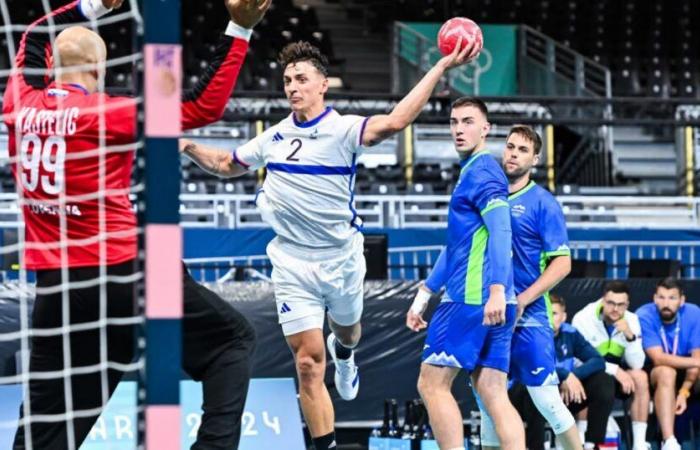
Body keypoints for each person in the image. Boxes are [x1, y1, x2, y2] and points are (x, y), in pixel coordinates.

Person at [179, 39, 477, 450]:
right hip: (291, 262)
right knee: (306, 363)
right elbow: (228, 164)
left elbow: (394, 121)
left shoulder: (344, 129)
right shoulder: (274, 137)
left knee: (347, 332)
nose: (292, 87)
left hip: (340, 260)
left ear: (323, 85)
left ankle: (347, 354)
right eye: (287, 80)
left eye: (301, 79)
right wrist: (188, 146)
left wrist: (440, 67)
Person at [3, 0, 270, 448]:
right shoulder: (107, 113)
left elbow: (32, 33)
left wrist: (89, 5)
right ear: (98, 69)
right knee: (232, 342)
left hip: (58, 291)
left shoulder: (18, 104)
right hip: (127, 274)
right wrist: (239, 28)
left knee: (46, 432)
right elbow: (202, 105)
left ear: (53, 65)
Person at [405, 97, 524, 450]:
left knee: (431, 385)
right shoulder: (473, 171)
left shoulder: (483, 171)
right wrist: (424, 295)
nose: (459, 129)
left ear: (485, 129)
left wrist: (497, 290)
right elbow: (457, 244)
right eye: (454, 122)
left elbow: (503, 231)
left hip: (472, 299)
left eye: (468, 121)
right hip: (497, 301)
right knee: (492, 391)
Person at [467, 125, 580, 450]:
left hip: (529, 319)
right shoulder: (488, 195)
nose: (513, 154)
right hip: (488, 315)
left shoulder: (544, 203)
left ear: (536, 159)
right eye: (510, 147)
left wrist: (521, 301)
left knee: (549, 402)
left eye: (522, 150)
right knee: (487, 405)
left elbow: (563, 263)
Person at [512, 293, 611, 449]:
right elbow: (532, 368)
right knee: (536, 386)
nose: (549, 318)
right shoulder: (527, 333)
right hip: (522, 395)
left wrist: (573, 376)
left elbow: (598, 361)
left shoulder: (570, 333)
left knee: (603, 380)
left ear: (563, 317)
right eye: (546, 312)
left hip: (563, 394)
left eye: (554, 313)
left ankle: (592, 444)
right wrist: (565, 375)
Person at [572, 281, 649, 450]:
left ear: (627, 305)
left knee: (641, 377)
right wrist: (614, 370)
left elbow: (637, 363)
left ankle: (639, 444)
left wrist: (630, 336)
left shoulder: (631, 319)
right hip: (593, 375)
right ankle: (584, 440)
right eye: (611, 303)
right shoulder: (583, 319)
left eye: (621, 305)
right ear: (602, 300)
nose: (615, 309)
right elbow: (579, 363)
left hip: (620, 379)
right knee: (592, 379)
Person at [637, 278, 700, 450]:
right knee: (666, 371)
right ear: (654, 299)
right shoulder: (644, 315)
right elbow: (658, 358)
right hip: (654, 372)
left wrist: (684, 392)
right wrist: (696, 362)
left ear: (682, 301)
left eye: (672, 298)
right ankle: (669, 441)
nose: (666, 303)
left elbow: (697, 361)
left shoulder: (694, 313)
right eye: (661, 297)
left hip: (688, 371)